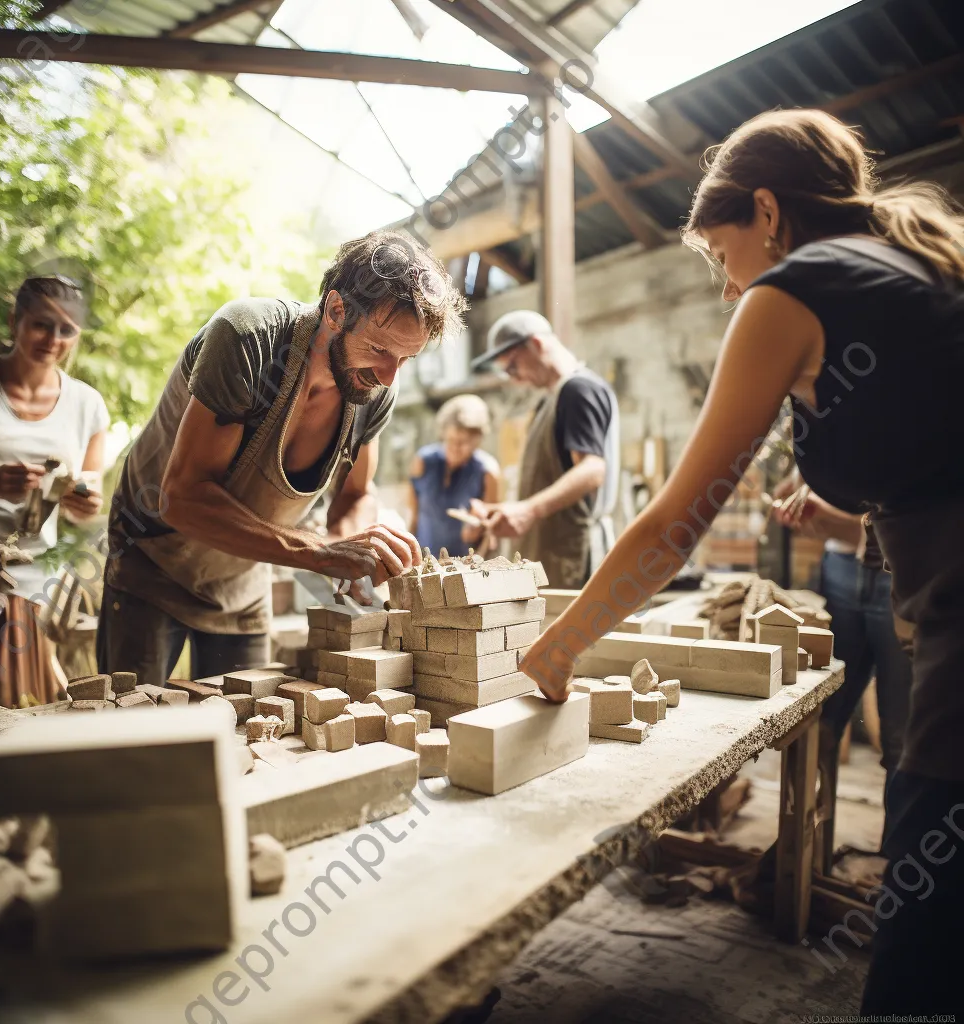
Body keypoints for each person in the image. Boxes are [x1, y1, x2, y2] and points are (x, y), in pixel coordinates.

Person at [519, 109, 964, 1015]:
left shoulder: (799, 290)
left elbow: (673, 525)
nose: (727, 291)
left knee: (923, 940)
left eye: (721, 258)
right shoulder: (917, 266)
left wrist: (560, 648)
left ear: (768, 211)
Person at [98, 232, 466, 686]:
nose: (390, 377)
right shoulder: (247, 340)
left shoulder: (372, 389)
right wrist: (320, 552)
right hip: (151, 563)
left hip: (242, 575)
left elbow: (354, 494)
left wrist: (352, 552)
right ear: (336, 311)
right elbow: (182, 498)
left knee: (247, 729)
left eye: (406, 359)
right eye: (380, 350)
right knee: (130, 733)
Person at [0, 275, 108, 706]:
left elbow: (85, 511)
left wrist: (82, 501)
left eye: (67, 329)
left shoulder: (87, 405)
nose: (53, 339)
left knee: (20, 710)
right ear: (15, 320)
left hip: (30, 588)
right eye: (41, 324)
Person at [773, 474, 912, 846]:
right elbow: (791, 488)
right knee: (818, 721)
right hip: (840, 567)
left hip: (899, 569)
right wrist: (803, 488)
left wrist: (837, 515)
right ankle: (800, 857)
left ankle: (898, 866)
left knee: (901, 737)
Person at [470, 311, 620, 588]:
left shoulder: (578, 390)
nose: (515, 379)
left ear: (536, 345)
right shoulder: (549, 401)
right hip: (553, 554)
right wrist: (509, 509)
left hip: (571, 556)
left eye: (513, 366)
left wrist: (528, 511)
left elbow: (592, 469)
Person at [408, 394, 499, 558]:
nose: (455, 448)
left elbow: (490, 532)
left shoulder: (486, 471)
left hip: (464, 564)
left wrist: (478, 529)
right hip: (425, 560)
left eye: (463, 442)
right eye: (450, 440)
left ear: (478, 440)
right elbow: (414, 517)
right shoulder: (423, 461)